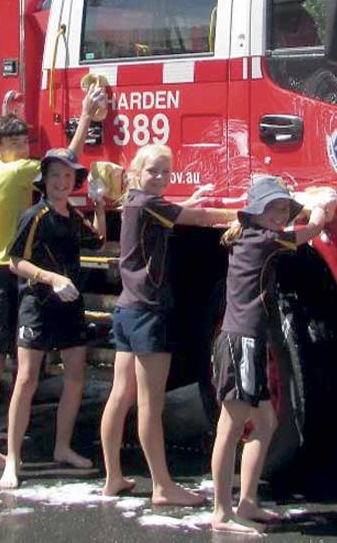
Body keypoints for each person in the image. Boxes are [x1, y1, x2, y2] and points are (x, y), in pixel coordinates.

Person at [0, 86, 105, 470]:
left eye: (23, 140)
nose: (21, 146)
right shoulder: (21, 171)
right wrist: (85, 117)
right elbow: (65, 161)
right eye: (13, 141)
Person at [99, 144, 237, 505]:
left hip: (127, 310)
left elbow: (173, 214)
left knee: (120, 395)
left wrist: (191, 198)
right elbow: (200, 220)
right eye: (153, 172)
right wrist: (249, 213)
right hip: (148, 313)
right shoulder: (148, 204)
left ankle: (113, 476)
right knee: (149, 403)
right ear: (137, 173)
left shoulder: (135, 202)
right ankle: (162, 486)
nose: (160, 177)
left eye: (165, 171)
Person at [210, 177, 337, 534]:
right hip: (241, 343)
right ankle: (221, 511)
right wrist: (324, 208)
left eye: (284, 208)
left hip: (250, 340)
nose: (281, 215)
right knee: (230, 427)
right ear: (255, 213)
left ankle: (247, 500)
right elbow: (309, 230)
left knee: (265, 423)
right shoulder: (264, 240)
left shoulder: (249, 235)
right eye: (274, 208)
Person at [0, 148, 107, 489]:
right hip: (39, 304)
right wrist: (52, 278)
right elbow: (16, 262)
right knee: (27, 379)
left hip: (69, 305)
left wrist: (101, 204)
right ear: (44, 180)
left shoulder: (72, 214)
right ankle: (13, 460)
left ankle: (63, 447)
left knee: (76, 376)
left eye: (69, 176)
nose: (63, 182)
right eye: (56, 175)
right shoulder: (35, 215)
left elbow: (99, 241)